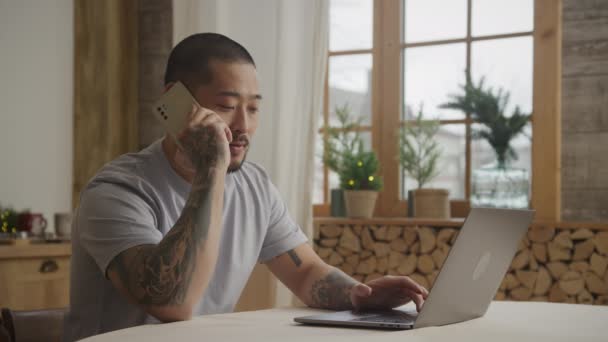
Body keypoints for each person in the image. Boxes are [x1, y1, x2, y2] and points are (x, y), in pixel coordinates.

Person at [63, 33, 428, 341]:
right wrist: (212, 167)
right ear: (174, 103)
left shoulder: (255, 186)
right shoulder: (115, 191)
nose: (243, 126)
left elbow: (304, 272)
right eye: (226, 106)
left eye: (253, 109)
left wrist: (358, 295)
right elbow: (172, 302)